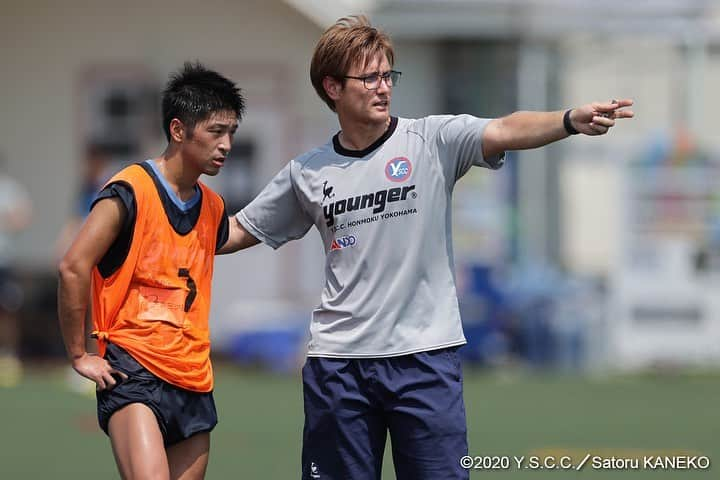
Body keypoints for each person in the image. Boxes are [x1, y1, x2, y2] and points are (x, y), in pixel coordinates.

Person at [219, 15, 634, 480]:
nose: (383, 87)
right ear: (332, 87)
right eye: (369, 77)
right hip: (339, 365)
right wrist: (165, 216)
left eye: (387, 75)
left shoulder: (433, 139)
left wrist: (567, 120)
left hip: (425, 359)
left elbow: (504, 128)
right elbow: (238, 231)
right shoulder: (307, 171)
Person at [58, 62, 245, 479]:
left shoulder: (212, 206)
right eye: (216, 131)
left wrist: (296, 212)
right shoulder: (130, 189)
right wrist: (78, 354)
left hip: (194, 377)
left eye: (232, 132)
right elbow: (73, 266)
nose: (227, 144)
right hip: (133, 370)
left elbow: (232, 237)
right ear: (178, 130)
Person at [0, 155, 32, 387]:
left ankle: (9, 356)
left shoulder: (10, 190)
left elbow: (22, 219)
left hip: (5, 261)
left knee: (8, 309)